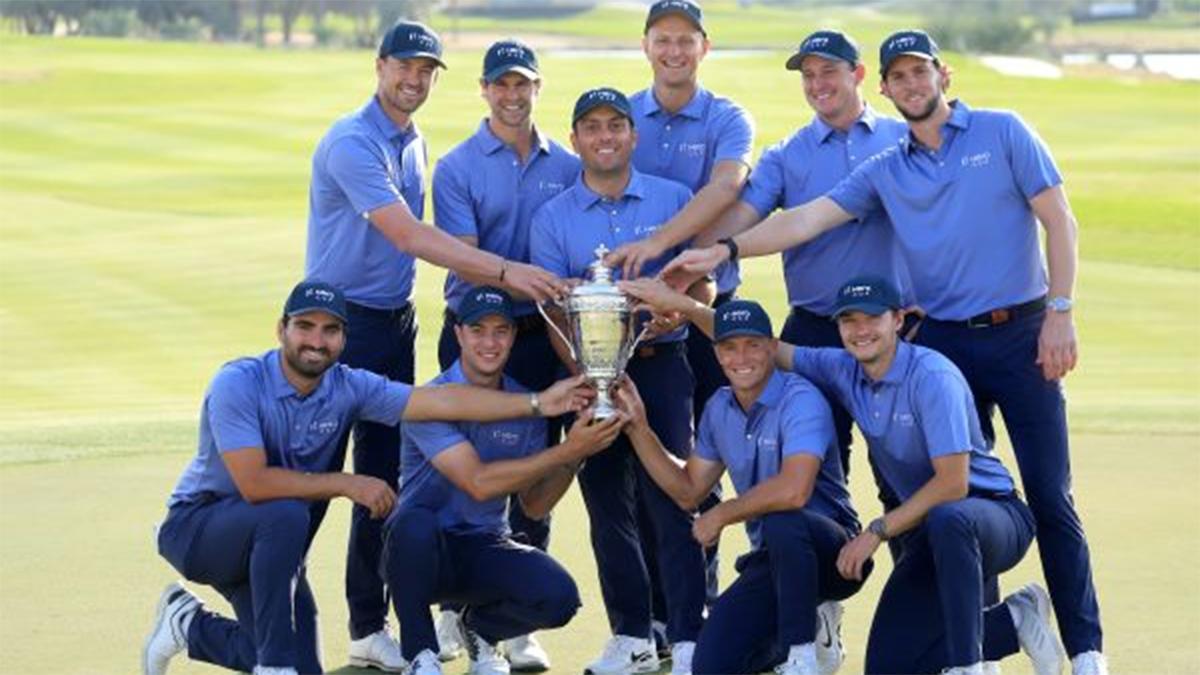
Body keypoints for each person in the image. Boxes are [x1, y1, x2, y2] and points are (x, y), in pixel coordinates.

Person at [664, 29, 1107, 675]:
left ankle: (1087, 649)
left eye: (918, 73)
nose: (911, 85)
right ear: (887, 86)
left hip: (1021, 330)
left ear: (941, 76)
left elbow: (1059, 219)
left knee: (1047, 490)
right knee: (943, 497)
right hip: (945, 338)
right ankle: (975, 642)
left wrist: (1061, 312)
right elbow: (806, 219)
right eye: (900, 77)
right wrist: (724, 252)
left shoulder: (1003, 131)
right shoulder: (886, 165)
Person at [620, 276, 1064, 675]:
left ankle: (968, 667)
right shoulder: (840, 368)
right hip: (927, 534)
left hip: (992, 514)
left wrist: (876, 532)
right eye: (849, 321)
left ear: (899, 320)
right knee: (890, 665)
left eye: (872, 318)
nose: (860, 330)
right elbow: (754, 346)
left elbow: (954, 484)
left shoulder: (933, 376)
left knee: (951, 519)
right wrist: (683, 310)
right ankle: (1015, 619)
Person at [142, 280, 590, 675]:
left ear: (343, 339)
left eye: (330, 329)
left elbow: (439, 402)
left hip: (272, 553)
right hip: (200, 530)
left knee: (305, 666)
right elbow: (254, 484)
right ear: (282, 329)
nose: (316, 340)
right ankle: (274, 666)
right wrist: (347, 482)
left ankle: (189, 624)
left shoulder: (349, 385)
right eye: (305, 326)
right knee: (285, 516)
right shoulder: (238, 382)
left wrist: (538, 405)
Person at [304, 21, 568, 668]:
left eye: (425, 71)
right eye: (404, 68)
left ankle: (368, 624)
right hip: (339, 327)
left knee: (381, 480)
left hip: (394, 325)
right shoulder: (353, 141)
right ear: (379, 66)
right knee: (314, 482)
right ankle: (268, 622)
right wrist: (508, 272)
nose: (413, 80)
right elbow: (412, 238)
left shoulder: (414, 142)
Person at [529, 87, 710, 675]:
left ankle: (684, 634)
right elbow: (555, 313)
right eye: (591, 128)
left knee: (673, 496)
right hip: (588, 375)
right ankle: (631, 633)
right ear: (575, 138)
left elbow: (703, 287)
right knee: (606, 502)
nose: (604, 137)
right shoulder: (551, 217)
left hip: (663, 366)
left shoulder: (673, 199)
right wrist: (590, 377)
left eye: (615, 126)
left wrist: (676, 308)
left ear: (633, 136)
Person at [611, 298, 866, 675]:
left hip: (835, 554)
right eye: (729, 347)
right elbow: (688, 490)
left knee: (785, 520)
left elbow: (794, 491)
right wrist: (638, 427)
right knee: (712, 662)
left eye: (753, 344)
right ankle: (801, 629)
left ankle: (803, 656)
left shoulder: (802, 399)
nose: (741, 357)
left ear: (772, 347)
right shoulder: (720, 407)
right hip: (772, 560)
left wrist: (722, 513)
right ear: (716, 354)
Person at [429, 39, 581, 669]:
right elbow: (467, 262)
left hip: (542, 334)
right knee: (463, 472)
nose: (512, 96)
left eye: (523, 85)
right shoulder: (458, 167)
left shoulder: (568, 166)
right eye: (501, 85)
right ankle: (449, 612)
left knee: (538, 467)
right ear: (484, 90)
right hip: (474, 330)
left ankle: (511, 620)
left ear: (537, 89)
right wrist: (523, 277)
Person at [701, 29, 910, 486]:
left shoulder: (904, 140)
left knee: (904, 473)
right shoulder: (786, 154)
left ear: (857, 74)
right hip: (815, 328)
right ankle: (832, 560)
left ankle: (911, 558)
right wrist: (695, 255)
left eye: (829, 72)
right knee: (815, 478)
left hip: (895, 329)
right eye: (808, 75)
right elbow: (743, 215)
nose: (817, 84)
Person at [384, 286, 625, 675]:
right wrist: (563, 451)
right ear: (458, 334)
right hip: (421, 553)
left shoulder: (528, 403)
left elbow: (535, 505)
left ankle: (480, 631)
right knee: (414, 524)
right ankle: (420, 654)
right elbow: (477, 482)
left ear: (513, 336)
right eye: (478, 330)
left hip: (484, 544)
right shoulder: (427, 401)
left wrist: (578, 449)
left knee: (559, 597)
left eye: (501, 331)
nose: (490, 342)